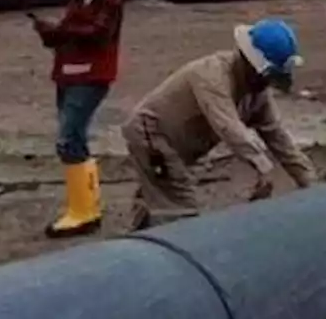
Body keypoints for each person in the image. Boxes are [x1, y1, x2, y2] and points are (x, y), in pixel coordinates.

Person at [120, 17, 315, 231]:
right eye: (268, 77)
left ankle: (135, 241)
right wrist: (262, 166)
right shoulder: (211, 76)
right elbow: (228, 126)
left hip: (177, 145)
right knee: (180, 210)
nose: (268, 84)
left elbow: (278, 137)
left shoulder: (256, 93)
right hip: (152, 136)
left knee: (159, 197)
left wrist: (311, 184)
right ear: (250, 64)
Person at [30, 0, 125, 238]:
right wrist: (51, 35)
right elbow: (73, 35)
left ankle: (83, 213)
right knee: (73, 139)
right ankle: (86, 209)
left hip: (90, 76)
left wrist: (60, 32)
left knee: (69, 139)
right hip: (70, 75)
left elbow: (99, 34)